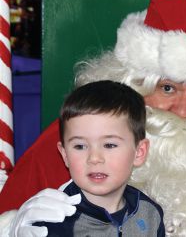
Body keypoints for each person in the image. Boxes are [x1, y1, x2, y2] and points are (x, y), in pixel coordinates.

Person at [0, 0, 186, 237]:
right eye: (167, 88)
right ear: (131, 86)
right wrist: (14, 228)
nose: (183, 111)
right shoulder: (77, 139)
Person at [33, 80, 165, 236]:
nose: (94, 158)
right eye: (80, 146)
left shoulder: (149, 212)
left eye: (109, 145)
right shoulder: (53, 221)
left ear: (139, 152)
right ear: (65, 154)